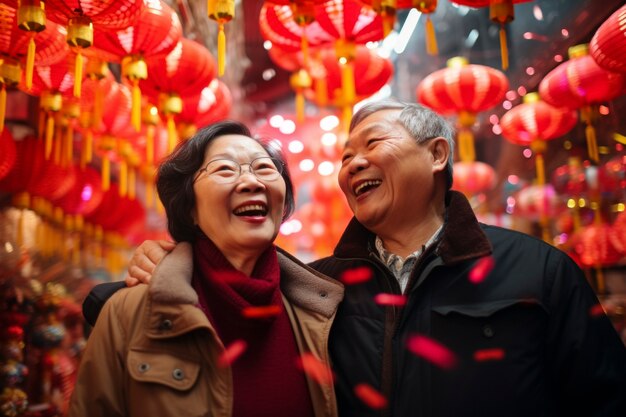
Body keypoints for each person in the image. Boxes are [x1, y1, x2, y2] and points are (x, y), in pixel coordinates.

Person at [84, 100, 626, 416]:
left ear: (437, 155)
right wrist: (142, 281)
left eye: (371, 145)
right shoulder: (324, 291)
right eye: (345, 157)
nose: (351, 164)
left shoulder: (539, 271)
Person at [69, 121, 344, 417]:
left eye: (264, 168)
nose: (252, 182)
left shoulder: (322, 315)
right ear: (190, 208)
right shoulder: (128, 314)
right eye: (225, 169)